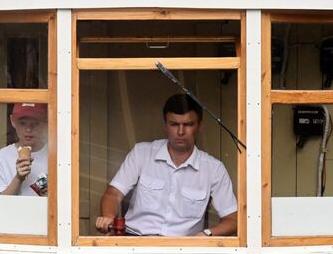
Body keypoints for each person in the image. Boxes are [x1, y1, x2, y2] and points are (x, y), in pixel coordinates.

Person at [95, 94, 237, 237]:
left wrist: (206, 234)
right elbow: (113, 193)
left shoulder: (214, 168)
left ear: (200, 126)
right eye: (174, 124)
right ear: (165, 125)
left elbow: (233, 219)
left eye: (188, 124)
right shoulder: (141, 153)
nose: (181, 132)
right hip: (136, 243)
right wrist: (108, 217)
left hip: (183, 251)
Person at [0, 103, 48, 196]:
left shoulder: (55, 154)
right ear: (13, 121)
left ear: (45, 122)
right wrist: (18, 178)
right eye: (22, 123)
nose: (28, 129)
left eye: (35, 123)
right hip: (13, 211)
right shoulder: (3, 156)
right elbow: (0, 203)